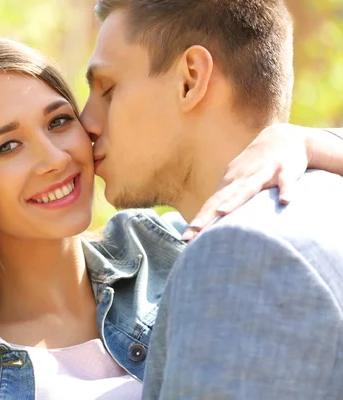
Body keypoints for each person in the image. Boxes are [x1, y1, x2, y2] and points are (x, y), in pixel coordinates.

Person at [0, 37, 343, 400]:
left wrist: (305, 141)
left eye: (59, 121)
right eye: (7, 146)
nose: (54, 158)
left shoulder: (184, 250)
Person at [81, 1, 343, 398]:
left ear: (190, 79)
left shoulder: (240, 251)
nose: (86, 123)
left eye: (108, 89)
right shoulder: (326, 194)